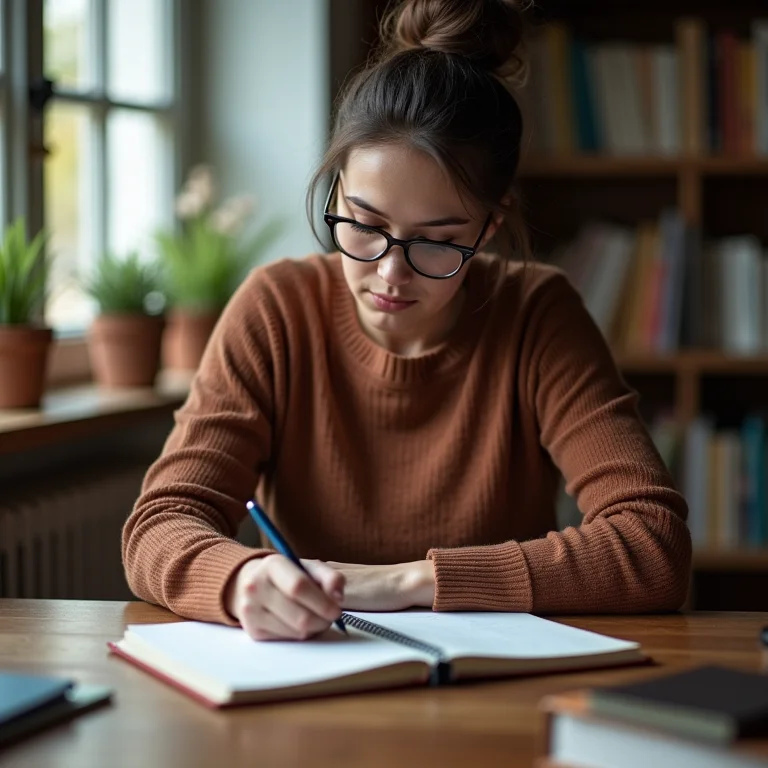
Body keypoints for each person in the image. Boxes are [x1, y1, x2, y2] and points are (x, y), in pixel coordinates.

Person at [123, 0, 691, 641]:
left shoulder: (537, 315)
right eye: (364, 226)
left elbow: (652, 544)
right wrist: (239, 580)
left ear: (490, 226)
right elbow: (161, 522)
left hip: (489, 684)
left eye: (437, 242)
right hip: (308, 679)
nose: (391, 273)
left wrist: (405, 582)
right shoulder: (276, 310)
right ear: (335, 188)